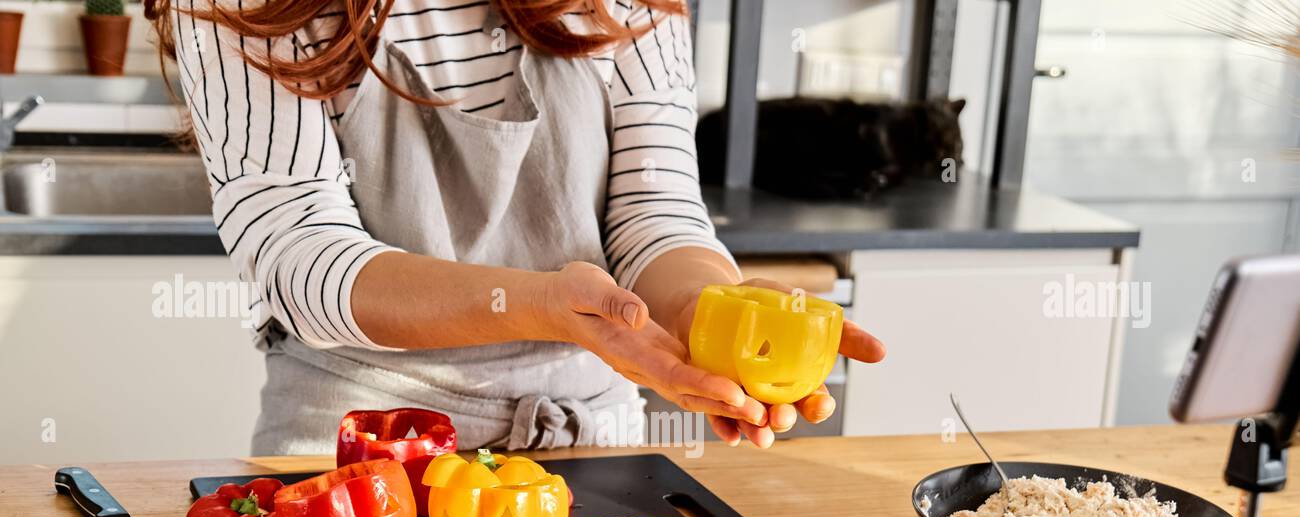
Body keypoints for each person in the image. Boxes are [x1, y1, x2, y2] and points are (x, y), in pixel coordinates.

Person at [147, 0, 885, 451]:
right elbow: (298, 255)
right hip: (362, 450)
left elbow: (654, 211)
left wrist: (705, 312)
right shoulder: (256, 5)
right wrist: (538, 305)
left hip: (592, 441)